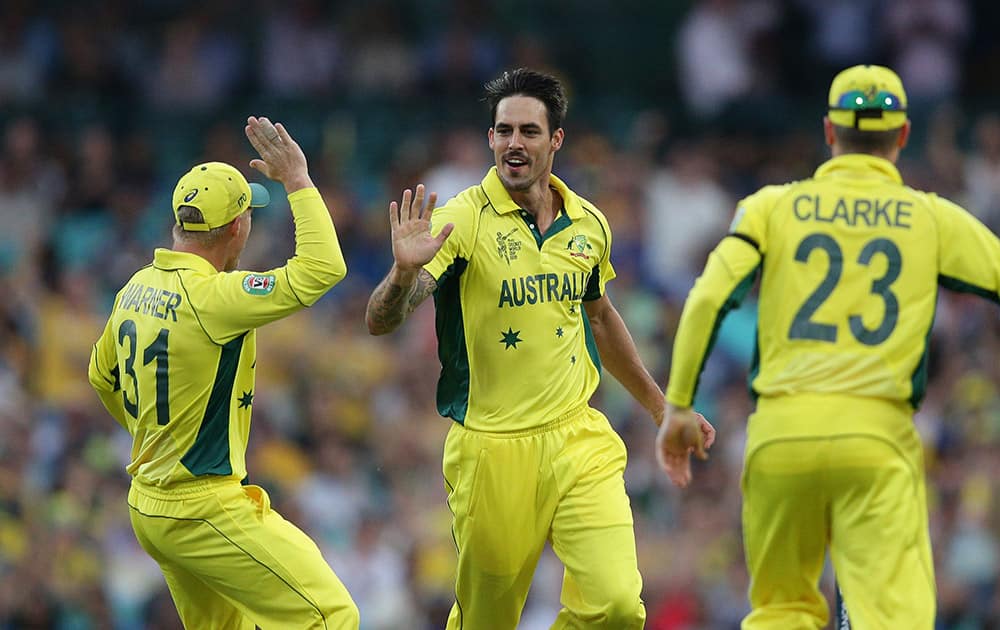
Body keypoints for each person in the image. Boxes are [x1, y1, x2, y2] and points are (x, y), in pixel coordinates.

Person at [365, 67, 715, 629]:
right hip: (493, 451)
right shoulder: (460, 221)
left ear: (555, 140)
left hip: (579, 438)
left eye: (528, 131)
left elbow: (600, 318)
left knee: (619, 609)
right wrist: (404, 274)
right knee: (487, 621)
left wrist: (661, 408)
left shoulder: (588, 223)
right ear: (490, 139)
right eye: (503, 131)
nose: (514, 144)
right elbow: (383, 319)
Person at [656, 64, 1000, 628]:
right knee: (890, 616)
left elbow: (705, 300)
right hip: (876, 440)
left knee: (782, 610)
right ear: (904, 135)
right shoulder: (932, 217)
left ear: (829, 132)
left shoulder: (771, 206)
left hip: (781, 435)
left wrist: (677, 407)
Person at [88, 116, 360, 629]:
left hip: (149, 504)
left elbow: (101, 378)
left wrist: (152, 436)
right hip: (201, 506)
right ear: (237, 227)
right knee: (330, 615)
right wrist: (299, 181)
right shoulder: (216, 297)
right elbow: (325, 268)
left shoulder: (134, 288)